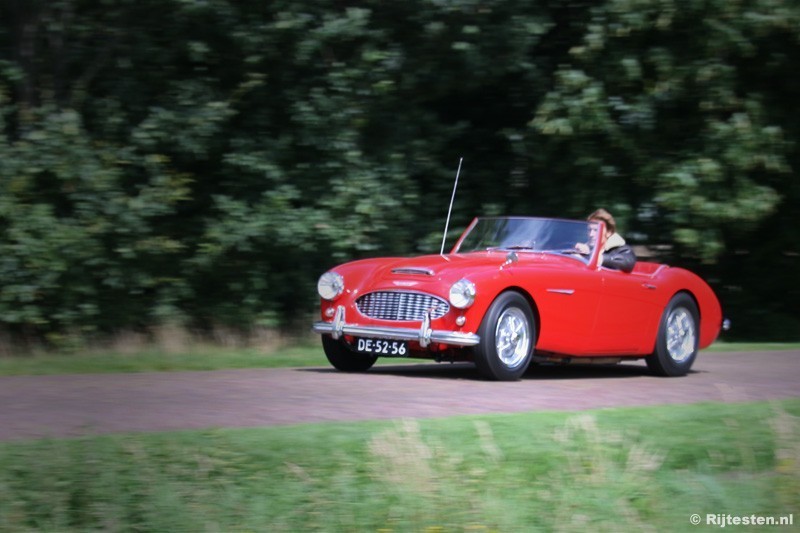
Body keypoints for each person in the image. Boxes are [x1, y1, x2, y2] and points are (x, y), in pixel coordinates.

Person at [577, 208, 636, 273]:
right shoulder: (586, 248)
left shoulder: (622, 249)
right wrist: (576, 253)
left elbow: (627, 263)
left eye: (596, 230)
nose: (591, 234)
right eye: (589, 230)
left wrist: (594, 257)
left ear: (609, 232)